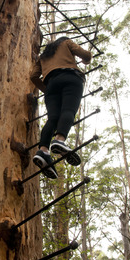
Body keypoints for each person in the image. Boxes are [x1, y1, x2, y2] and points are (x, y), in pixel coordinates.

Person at [30, 36, 92, 179]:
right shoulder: (66, 42)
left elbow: (33, 76)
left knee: (53, 118)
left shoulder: (43, 57)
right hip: (71, 78)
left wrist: (48, 90)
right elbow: (86, 55)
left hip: (51, 84)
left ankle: (43, 150)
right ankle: (59, 139)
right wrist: (86, 60)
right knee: (68, 110)